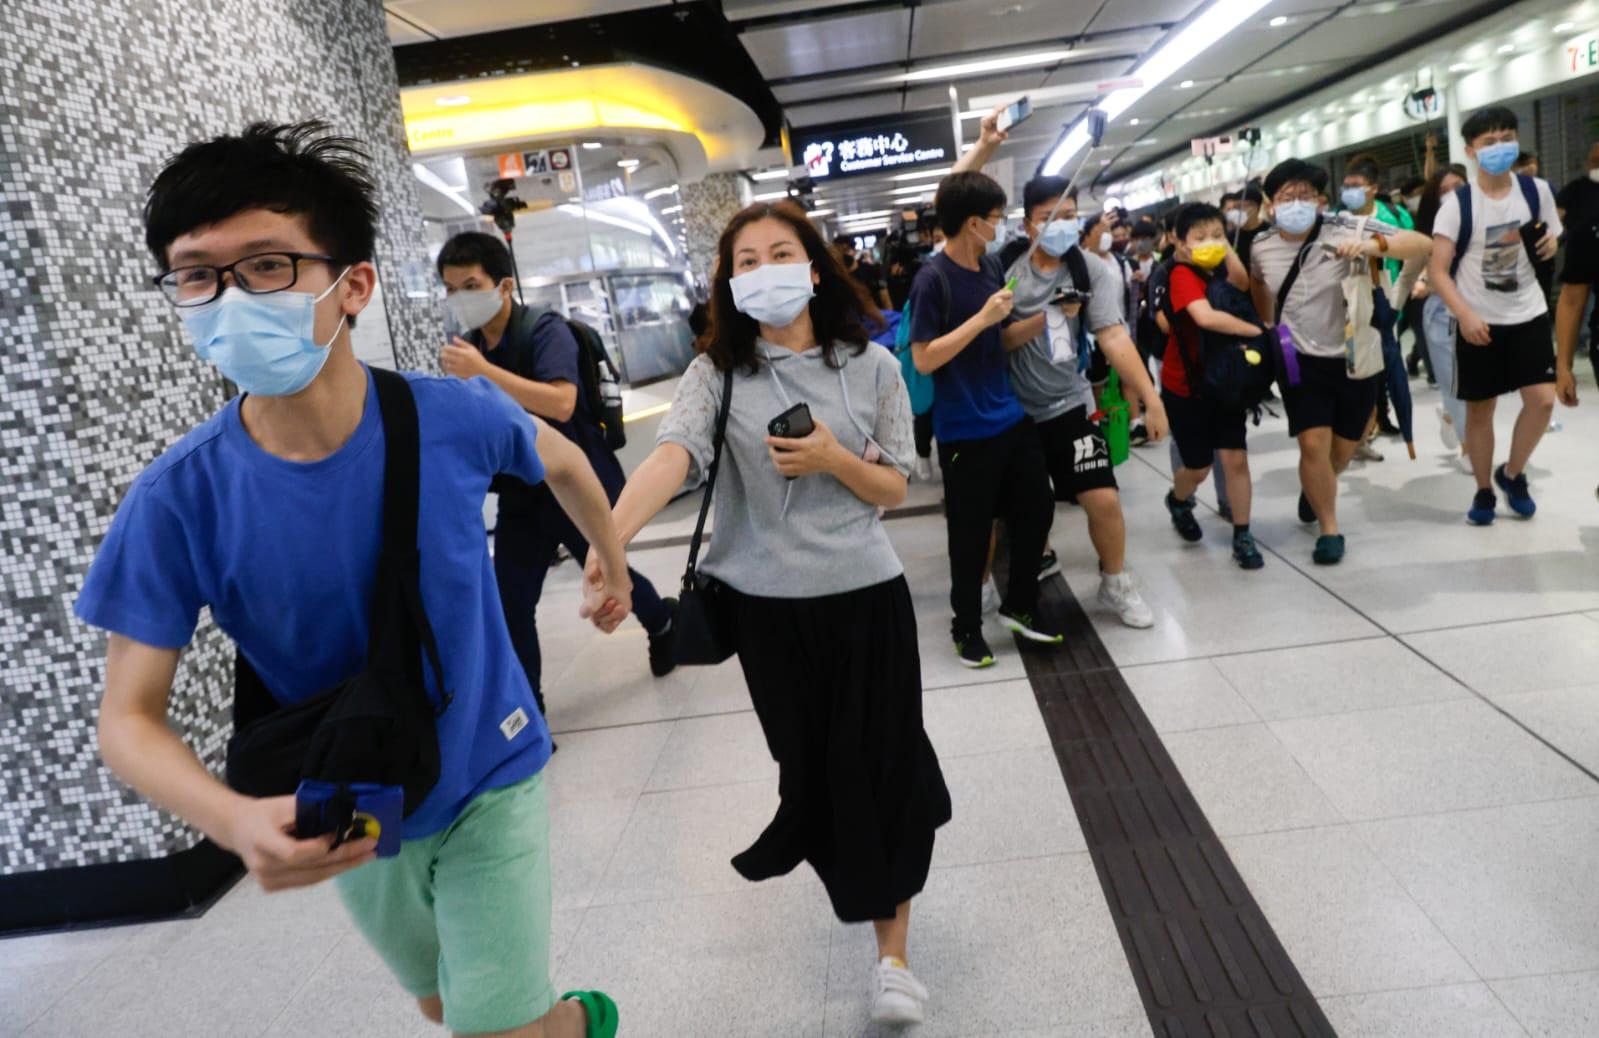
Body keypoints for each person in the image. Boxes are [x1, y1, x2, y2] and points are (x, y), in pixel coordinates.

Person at [75, 122, 625, 1038]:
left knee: (491, 1028)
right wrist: (229, 820)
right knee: (439, 997)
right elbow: (127, 718)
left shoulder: (451, 414)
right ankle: (574, 1020)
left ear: (352, 285)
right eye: (197, 274)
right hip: (354, 795)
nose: (228, 297)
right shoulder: (179, 498)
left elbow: (563, 459)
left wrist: (607, 551)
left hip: (491, 761)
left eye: (266, 266)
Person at [596, 199, 951, 1028]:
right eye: (744, 260)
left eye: (778, 253)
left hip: (866, 601)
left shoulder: (872, 368)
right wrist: (609, 543)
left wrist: (831, 456)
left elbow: (895, 485)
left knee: (879, 768)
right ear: (726, 280)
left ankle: (891, 955)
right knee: (815, 768)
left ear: (816, 265)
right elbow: (672, 456)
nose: (761, 270)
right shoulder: (717, 374)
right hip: (766, 615)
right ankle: (826, 840)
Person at [436, 232, 677, 722]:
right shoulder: (474, 345)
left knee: (611, 573)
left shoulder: (543, 331)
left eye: (471, 285)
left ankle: (663, 623)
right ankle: (534, 715)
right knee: (512, 603)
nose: (460, 299)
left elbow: (561, 402)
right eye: (451, 289)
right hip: (521, 493)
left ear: (504, 286)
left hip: (571, 488)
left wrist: (482, 372)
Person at [908, 170, 1065, 667]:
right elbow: (924, 358)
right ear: (973, 223)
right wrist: (981, 319)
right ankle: (966, 627)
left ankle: (1019, 604)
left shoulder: (991, 269)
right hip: (962, 429)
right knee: (970, 537)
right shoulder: (932, 280)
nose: (1000, 227)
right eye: (995, 219)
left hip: (1008, 416)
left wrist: (1048, 318)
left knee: (1038, 506)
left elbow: (999, 339)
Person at [998, 176, 1167, 626]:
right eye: (1051, 217)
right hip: (1013, 412)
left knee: (1104, 499)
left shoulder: (1090, 269)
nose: (1062, 226)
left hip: (1069, 405)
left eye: (1071, 216)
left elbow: (1112, 335)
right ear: (1029, 224)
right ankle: (1033, 561)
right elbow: (993, 342)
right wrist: (1048, 314)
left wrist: (1151, 399)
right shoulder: (1005, 269)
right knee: (1025, 509)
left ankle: (1115, 582)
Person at [1251, 159, 1434, 564]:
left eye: (1305, 196)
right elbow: (1258, 284)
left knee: (1342, 450)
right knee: (1313, 444)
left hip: (1355, 355)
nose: (1295, 203)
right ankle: (1330, 527)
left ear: (1321, 201)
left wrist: (1373, 246)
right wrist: (1270, 329)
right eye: (1286, 197)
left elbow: (1422, 245)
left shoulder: (1349, 227)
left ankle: (1315, 489)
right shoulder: (1261, 246)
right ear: (1271, 204)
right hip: (1297, 358)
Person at [1429, 105, 1562, 524]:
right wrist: (1464, 315)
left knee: (1542, 401)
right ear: (1471, 150)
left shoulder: (1535, 190)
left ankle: (1513, 473)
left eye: (1507, 137)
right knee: (1481, 410)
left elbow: (1552, 235)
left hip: (1529, 312)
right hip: (1479, 319)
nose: (1500, 147)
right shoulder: (1457, 205)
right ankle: (1484, 489)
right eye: (1490, 142)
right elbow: (1437, 270)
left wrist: (1553, 246)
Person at [1160, 201, 1267, 569]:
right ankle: (1178, 500)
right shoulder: (1178, 275)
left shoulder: (1219, 268)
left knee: (1235, 459)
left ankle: (1243, 534)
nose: (1211, 242)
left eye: (1217, 235)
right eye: (1201, 237)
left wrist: (1225, 243)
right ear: (1179, 241)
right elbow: (1204, 317)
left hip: (1226, 382)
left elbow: (1241, 282)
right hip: (1186, 388)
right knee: (1198, 468)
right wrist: (1256, 332)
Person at [1414, 164, 1473, 459]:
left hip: (1481, 310)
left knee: (1482, 387)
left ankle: (1451, 418)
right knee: (1455, 386)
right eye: (1444, 191)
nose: (1452, 195)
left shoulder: (1482, 222)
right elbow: (1417, 271)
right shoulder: (1429, 233)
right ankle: (1469, 448)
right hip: (1441, 315)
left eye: (1458, 186)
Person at [836, 234, 892, 310]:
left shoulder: (870, 270)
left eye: (846, 250)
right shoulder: (837, 277)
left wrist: (890, 316)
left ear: (853, 250)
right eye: (839, 252)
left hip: (878, 316)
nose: (843, 254)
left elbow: (884, 296)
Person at [1556, 142, 1599, 233]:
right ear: (1586, 165)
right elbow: (1555, 216)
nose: (1598, 165)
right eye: (1595, 161)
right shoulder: (1574, 189)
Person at [1228, 185, 1270, 270]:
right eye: (1235, 208)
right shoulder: (1231, 237)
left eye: (1242, 206)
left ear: (1255, 207)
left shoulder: (1270, 232)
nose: (1237, 211)